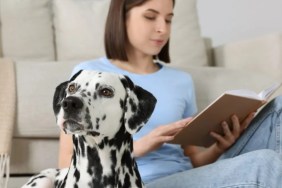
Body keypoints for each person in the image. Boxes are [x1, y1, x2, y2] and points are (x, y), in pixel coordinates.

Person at [59, 0, 282, 187]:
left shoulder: (181, 81)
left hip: (188, 177)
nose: (162, 29)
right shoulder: (87, 75)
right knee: (264, 162)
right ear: (122, 17)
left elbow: (193, 160)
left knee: (279, 106)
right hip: (139, 181)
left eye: (168, 19)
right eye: (150, 17)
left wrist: (219, 147)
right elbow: (66, 165)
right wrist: (139, 146)